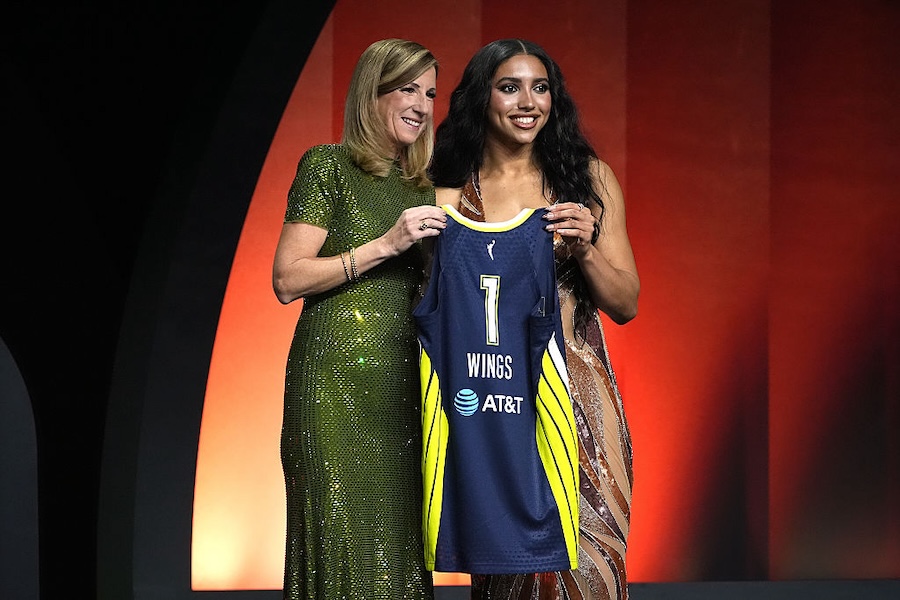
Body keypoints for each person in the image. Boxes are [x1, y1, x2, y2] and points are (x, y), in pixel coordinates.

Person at [428, 38, 640, 599]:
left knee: (589, 570)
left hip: (579, 408)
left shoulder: (588, 181)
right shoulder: (447, 194)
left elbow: (626, 303)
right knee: (508, 572)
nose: (528, 102)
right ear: (482, 98)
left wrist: (587, 248)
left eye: (540, 87)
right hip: (492, 401)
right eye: (509, 87)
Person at [272, 38, 446, 600]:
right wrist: (386, 244)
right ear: (372, 93)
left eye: (430, 93)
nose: (421, 105)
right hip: (334, 390)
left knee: (398, 556)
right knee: (340, 548)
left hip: (402, 393)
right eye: (407, 89)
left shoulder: (425, 188)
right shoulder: (329, 165)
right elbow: (287, 279)